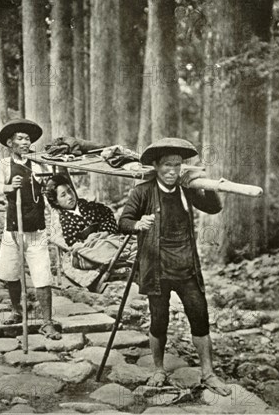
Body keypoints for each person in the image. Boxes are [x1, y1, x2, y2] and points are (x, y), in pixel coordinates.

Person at [118, 137, 231, 396]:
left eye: (178, 166)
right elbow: (123, 221)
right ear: (156, 166)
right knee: (159, 320)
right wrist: (138, 224)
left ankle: (208, 373)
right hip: (157, 269)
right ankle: (158, 368)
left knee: (200, 317)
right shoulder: (143, 192)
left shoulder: (186, 190)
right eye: (167, 165)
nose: (172, 171)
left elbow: (213, 207)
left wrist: (211, 185)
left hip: (186, 268)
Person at [0, 119, 61, 340]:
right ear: (10, 142)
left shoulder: (40, 163)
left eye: (28, 139)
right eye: (20, 138)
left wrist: (55, 219)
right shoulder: (1, 165)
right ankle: (16, 310)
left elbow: (51, 190)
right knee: (11, 272)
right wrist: (10, 186)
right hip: (12, 228)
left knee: (42, 276)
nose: (25, 142)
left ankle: (47, 322)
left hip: (36, 228)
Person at [45, 174, 119, 247]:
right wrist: (91, 239)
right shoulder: (65, 221)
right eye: (63, 195)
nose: (70, 196)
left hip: (108, 240)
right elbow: (73, 243)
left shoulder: (88, 206)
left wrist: (105, 232)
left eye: (70, 191)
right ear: (56, 202)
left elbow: (107, 214)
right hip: (91, 249)